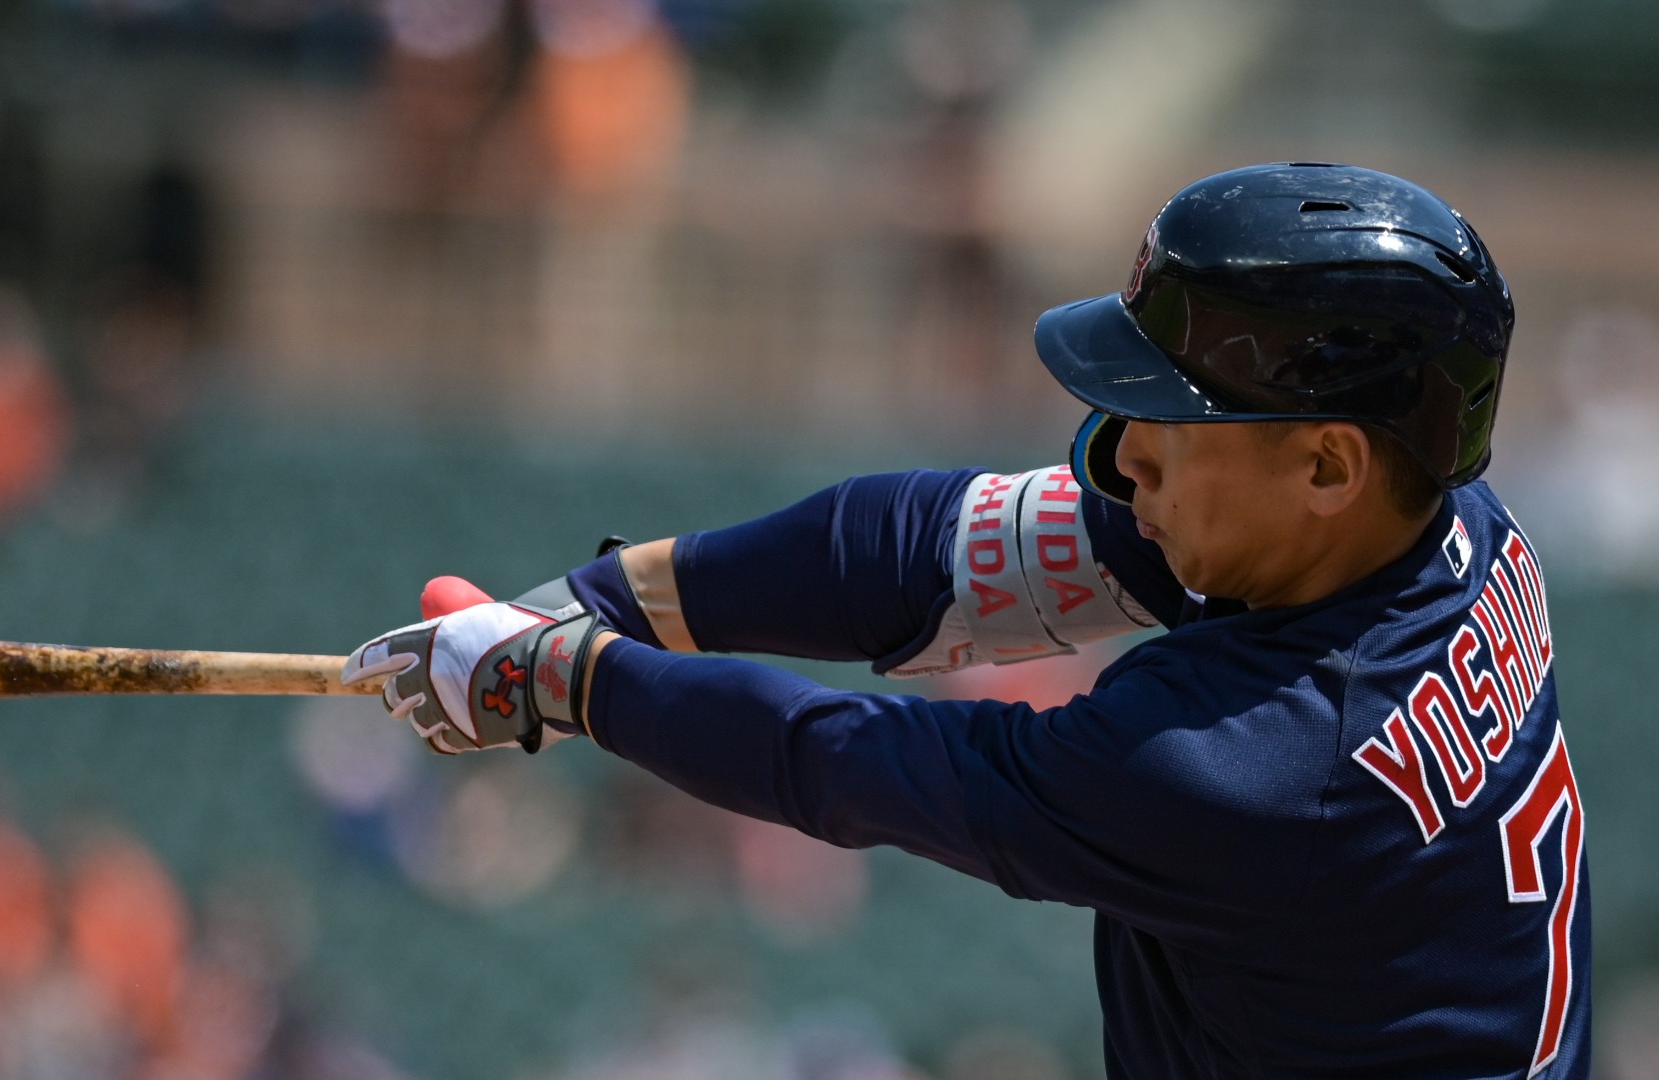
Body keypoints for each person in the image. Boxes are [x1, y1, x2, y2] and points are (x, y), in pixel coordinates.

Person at [345, 163, 1589, 1078]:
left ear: (1325, 467)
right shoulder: (1435, 523)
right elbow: (921, 552)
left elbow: (841, 763)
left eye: (1177, 414)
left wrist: (575, 681)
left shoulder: (1251, 768)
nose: (1120, 453)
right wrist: (600, 606)